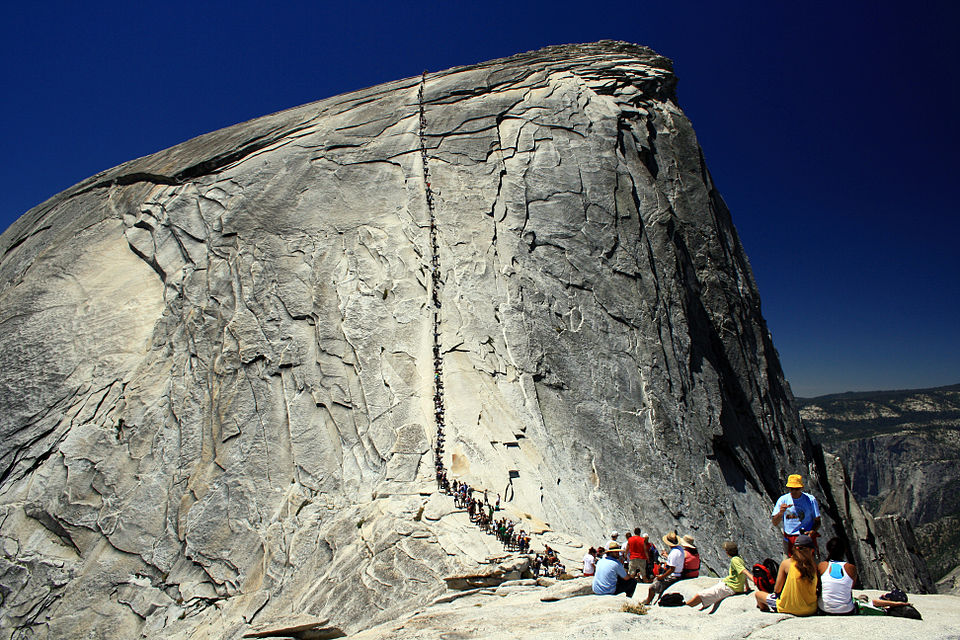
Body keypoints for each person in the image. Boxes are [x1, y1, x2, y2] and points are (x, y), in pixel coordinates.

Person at [754, 534, 819, 616]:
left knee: (758, 594)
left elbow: (777, 589)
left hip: (787, 608)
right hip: (810, 609)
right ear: (812, 550)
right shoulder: (814, 566)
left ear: (794, 549)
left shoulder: (787, 563)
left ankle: (764, 609)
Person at [686, 541, 751, 609]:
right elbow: (742, 573)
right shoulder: (739, 558)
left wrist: (755, 581)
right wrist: (747, 587)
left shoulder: (734, 560)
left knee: (700, 595)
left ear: (727, 552)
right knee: (708, 594)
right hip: (730, 586)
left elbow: (745, 572)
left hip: (729, 587)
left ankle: (683, 608)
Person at [772, 474, 821, 557]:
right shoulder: (783, 500)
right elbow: (775, 522)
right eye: (792, 489)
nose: (794, 491)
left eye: (796, 489)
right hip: (789, 539)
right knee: (788, 566)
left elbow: (817, 521)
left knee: (811, 567)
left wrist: (811, 532)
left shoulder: (810, 500)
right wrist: (781, 512)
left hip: (805, 538)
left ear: (801, 488)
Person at [641, 532, 685, 605]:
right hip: (678, 573)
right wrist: (667, 555)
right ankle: (650, 599)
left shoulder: (673, 553)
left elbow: (672, 569)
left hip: (673, 576)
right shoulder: (680, 549)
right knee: (656, 579)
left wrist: (662, 577)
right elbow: (675, 562)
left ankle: (648, 601)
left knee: (652, 587)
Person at [818, 537, 857, 615]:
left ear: (828, 549)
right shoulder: (851, 568)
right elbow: (850, 587)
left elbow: (818, 586)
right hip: (846, 610)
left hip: (824, 609)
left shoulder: (822, 566)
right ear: (844, 550)